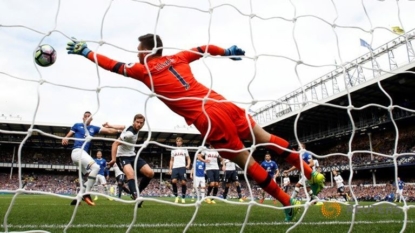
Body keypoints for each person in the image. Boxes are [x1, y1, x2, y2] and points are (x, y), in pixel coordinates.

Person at [66, 34, 325, 221]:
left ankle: (286, 201)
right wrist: (227, 51)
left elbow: (112, 65)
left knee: (246, 161)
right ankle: (311, 172)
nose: (136, 54)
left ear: (146, 52)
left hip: (209, 117)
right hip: (221, 102)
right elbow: (204, 47)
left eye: (138, 50)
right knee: (265, 138)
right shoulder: (178, 57)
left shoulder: (144, 70)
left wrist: (86, 52)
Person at [62, 111, 121, 206]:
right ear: (83, 118)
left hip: (82, 155)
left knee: (91, 178)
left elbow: (110, 131)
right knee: (96, 168)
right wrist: (65, 138)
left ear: (91, 119)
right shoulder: (77, 125)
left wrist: (117, 130)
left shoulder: (94, 128)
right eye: (86, 116)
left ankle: (78, 198)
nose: (87, 118)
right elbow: (68, 135)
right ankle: (87, 194)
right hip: (77, 152)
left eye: (89, 116)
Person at [106, 114, 154, 208]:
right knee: (131, 175)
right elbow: (115, 144)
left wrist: (110, 125)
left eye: (141, 123)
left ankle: (137, 192)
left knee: (150, 173)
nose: (139, 124)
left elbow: (122, 126)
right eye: (137, 122)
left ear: (143, 124)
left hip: (133, 155)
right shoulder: (129, 134)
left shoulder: (133, 128)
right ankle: (136, 197)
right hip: (122, 157)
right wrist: (113, 159)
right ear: (134, 122)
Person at [168, 137, 191, 203]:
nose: (178, 142)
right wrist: (170, 169)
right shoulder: (173, 150)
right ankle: (176, 196)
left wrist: (188, 164)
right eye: (177, 141)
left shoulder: (184, 149)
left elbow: (188, 158)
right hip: (175, 167)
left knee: (183, 182)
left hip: (182, 167)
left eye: (179, 141)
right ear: (176, 142)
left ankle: (183, 197)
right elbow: (171, 160)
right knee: (174, 181)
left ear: (182, 142)